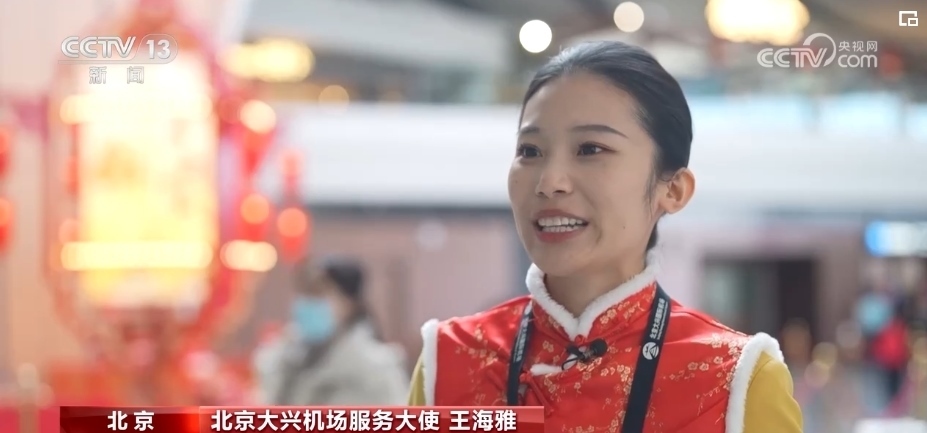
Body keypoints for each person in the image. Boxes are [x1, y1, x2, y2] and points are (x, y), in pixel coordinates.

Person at [407, 41, 802, 433]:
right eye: (530, 151)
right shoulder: (450, 360)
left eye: (590, 149)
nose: (550, 181)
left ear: (673, 189)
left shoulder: (736, 381)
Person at [254, 256, 408, 405]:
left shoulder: (376, 369)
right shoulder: (289, 358)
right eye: (305, 294)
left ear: (349, 304)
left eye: (319, 295)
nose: (308, 303)